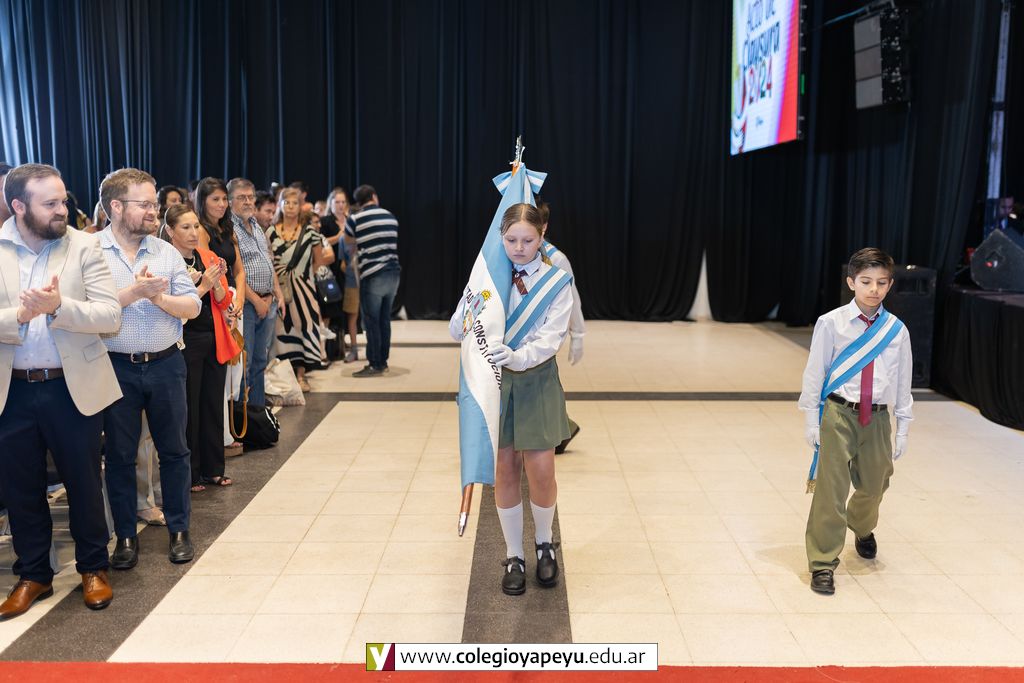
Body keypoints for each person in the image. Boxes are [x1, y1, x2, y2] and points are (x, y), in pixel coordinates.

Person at [0, 163, 121, 619]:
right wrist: (19, 316)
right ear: (18, 206)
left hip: (72, 387)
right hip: (12, 390)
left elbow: (110, 315)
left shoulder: (85, 245)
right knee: (20, 487)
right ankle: (34, 575)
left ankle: (93, 568)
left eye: (63, 200)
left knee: (83, 482)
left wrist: (58, 307)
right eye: (49, 203)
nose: (62, 209)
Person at [449, 203, 573, 596]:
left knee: (542, 471)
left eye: (528, 240)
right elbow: (458, 328)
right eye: (511, 240)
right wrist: (465, 313)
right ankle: (514, 554)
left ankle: (544, 543)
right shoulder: (488, 276)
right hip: (495, 383)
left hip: (536, 379)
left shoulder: (557, 281)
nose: (519, 248)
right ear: (499, 238)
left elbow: (551, 338)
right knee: (504, 470)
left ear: (542, 235)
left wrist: (519, 357)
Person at [98, 167, 202, 569]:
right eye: (144, 204)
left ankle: (180, 530)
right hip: (114, 367)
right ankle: (125, 537)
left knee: (174, 452)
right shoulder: (90, 252)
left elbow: (192, 306)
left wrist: (159, 300)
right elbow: (88, 311)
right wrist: (134, 293)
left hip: (166, 364)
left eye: (154, 203)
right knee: (120, 456)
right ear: (116, 206)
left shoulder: (165, 252)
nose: (153, 211)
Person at [799, 247, 913, 595]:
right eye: (866, 281)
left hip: (876, 417)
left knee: (876, 484)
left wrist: (903, 426)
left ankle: (862, 526)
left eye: (881, 282)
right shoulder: (831, 323)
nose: (873, 289)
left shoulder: (896, 330)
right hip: (838, 412)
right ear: (851, 282)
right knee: (831, 489)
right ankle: (822, 561)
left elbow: (902, 381)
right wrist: (810, 418)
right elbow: (815, 372)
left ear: (890, 284)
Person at [163, 204, 238, 491]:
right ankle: (192, 473)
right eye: (185, 227)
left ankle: (214, 468)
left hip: (213, 335)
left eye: (196, 226)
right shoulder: (166, 261)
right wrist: (203, 285)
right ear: (170, 231)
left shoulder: (207, 257)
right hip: (185, 339)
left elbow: (223, 301)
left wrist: (216, 285)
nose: (194, 232)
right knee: (190, 406)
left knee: (212, 403)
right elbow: (175, 306)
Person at [267, 188, 331, 391]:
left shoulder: (310, 231)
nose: (290, 207)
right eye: (286, 202)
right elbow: (268, 260)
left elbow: (319, 260)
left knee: (304, 328)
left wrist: (302, 277)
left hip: (304, 289)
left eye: (294, 203)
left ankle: (302, 375)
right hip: (279, 290)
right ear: (280, 205)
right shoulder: (270, 231)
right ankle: (284, 376)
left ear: (300, 206)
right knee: (282, 330)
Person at [229, 178, 284, 409]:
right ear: (229, 201)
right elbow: (236, 273)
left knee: (262, 360)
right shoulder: (230, 229)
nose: (248, 202)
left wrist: (276, 294)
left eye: (251, 197)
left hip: (267, 301)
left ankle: (258, 412)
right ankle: (243, 416)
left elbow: (268, 261)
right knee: (246, 361)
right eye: (242, 197)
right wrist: (257, 301)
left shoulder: (256, 225)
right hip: (247, 304)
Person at [537, 200, 584, 453]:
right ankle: (564, 427)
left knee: (541, 384)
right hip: (519, 333)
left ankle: (560, 430)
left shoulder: (556, 259)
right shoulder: (509, 251)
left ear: (544, 226)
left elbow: (571, 297)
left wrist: (578, 334)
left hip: (546, 332)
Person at [345, 184, 400, 377]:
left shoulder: (355, 219)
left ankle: (375, 363)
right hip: (393, 273)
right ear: (374, 197)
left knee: (371, 321)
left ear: (358, 202)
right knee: (385, 319)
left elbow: (348, 241)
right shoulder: (390, 216)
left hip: (372, 273)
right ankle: (383, 361)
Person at [322, 188, 360, 362]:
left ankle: (347, 341)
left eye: (343, 202)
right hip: (331, 270)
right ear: (330, 203)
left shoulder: (351, 220)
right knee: (335, 307)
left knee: (350, 308)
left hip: (349, 270)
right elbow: (320, 242)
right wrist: (339, 236)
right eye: (337, 202)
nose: (340, 205)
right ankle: (334, 344)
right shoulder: (326, 221)